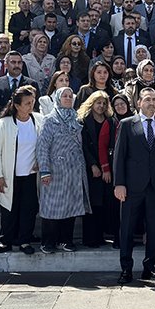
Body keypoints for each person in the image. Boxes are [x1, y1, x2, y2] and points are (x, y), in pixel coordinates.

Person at [113, 89, 155, 283]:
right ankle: (126, 268)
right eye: (148, 99)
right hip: (131, 187)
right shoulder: (127, 124)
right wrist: (119, 184)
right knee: (128, 228)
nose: (152, 103)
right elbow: (119, 156)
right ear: (139, 102)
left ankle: (150, 266)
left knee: (154, 227)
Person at [0, 85, 44, 255]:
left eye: (32, 102)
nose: (30, 106)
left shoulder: (39, 120)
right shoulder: (3, 124)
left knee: (28, 209)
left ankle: (24, 241)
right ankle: (5, 241)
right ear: (17, 105)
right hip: (9, 175)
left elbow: (44, 145)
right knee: (8, 209)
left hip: (30, 175)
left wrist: (40, 162)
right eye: (27, 103)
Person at [36, 87, 91, 253]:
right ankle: (48, 242)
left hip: (74, 169)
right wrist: (44, 170)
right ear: (58, 98)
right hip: (55, 169)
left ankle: (66, 240)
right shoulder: (49, 119)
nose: (68, 98)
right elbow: (42, 147)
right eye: (64, 96)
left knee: (72, 205)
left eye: (70, 96)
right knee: (52, 206)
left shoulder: (78, 118)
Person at [80, 91, 118, 248]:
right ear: (92, 103)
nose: (101, 106)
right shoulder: (83, 121)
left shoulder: (110, 121)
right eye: (98, 103)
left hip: (107, 167)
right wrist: (93, 165)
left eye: (104, 103)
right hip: (91, 168)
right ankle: (90, 238)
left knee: (103, 202)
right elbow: (83, 145)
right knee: (92, 203)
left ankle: (101, 235)